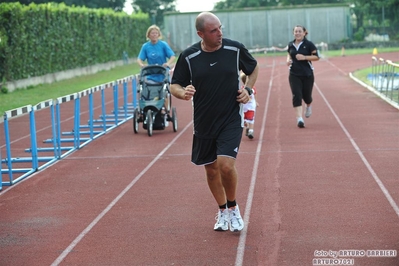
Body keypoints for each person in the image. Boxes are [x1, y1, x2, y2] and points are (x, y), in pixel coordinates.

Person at [170, 12, 259, 232]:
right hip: (203, 121)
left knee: (226, 165)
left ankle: (234, 207)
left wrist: (247, 89)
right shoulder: (189, 57)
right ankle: (222, 211)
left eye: (220, 28)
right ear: (201, 34)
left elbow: (253, 68)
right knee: (210, 170)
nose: (220, 33)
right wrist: (183, 93)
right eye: (213, 30)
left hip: (230, 117)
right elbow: (175, 85)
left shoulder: (234, 49)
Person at [137, 25, 176, 126]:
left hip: (163, 73)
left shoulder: (163, 45)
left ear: (159, 35)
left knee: (165, 92)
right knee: (146, 91)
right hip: (151, 73)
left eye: (156, 33)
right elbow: (139, 58)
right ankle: (146, 109)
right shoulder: (145, 46)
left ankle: (165, 110)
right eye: (152, 33)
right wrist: (142, 65)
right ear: (148, 35)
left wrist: (168, 63)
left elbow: (172, 56)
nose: (154, 35)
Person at [285, 25, 319, 128]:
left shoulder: (309, 45)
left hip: (307, 74)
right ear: (293, 33)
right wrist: (288, 60)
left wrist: (304, 57)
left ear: (304, 33)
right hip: (294, 74)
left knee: (307, 96)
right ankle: (299, 119)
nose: (298, 33)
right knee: (297, 95)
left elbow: (316, 57)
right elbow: (289, 54)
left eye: (300, 31)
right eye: (296, 31)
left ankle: (308, 105)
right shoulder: (291, 44)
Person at [240, 72, 258, 139]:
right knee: (251, 119)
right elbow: (255, 95)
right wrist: (256, 102)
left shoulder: (241, 88)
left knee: (244, 119)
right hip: (250, 106)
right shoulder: (252, 88)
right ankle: (250, 130)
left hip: (244, 106)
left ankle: (247, 128)